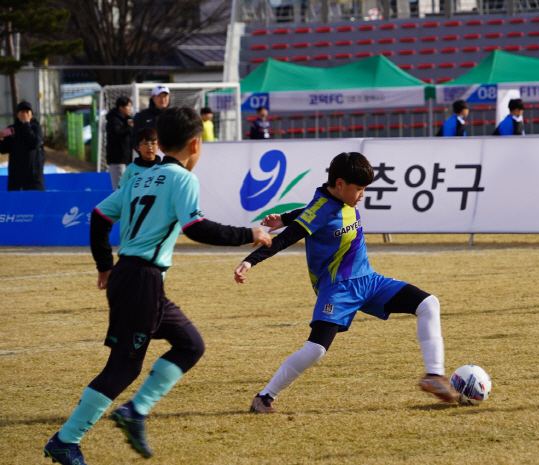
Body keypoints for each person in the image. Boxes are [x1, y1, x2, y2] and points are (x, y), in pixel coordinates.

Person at [43, 107, 272, 465]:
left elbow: (99, 217)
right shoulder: (183, 180)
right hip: (142, 280)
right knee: (124, 367)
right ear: (196, 144)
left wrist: (106, 267)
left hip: (134, 277)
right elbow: (195, 228)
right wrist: (250, 233)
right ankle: (66, 439)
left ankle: (135, 411)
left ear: (160, 143)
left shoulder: (137, 178)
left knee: (190, 344)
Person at [234, 152, 458, 414]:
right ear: (340, 184)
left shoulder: (336, 200)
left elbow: (315, 210)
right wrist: (250, 261)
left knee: (428, 303)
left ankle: (434, 375)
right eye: (359, 189)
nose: (362, 195)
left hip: (369, 281)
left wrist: (284, 217)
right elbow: (287, 238)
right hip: (337, 289)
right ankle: (264, 397)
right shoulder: (321, 209)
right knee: (315, 349)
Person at [0, 101, 45, 191]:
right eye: (22, 112)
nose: (24, 114)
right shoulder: (11, 129)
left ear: (31, 114)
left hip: (33, 176)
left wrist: (26, 124)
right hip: (16, 176)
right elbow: (4, 148)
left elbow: (34, 143)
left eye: (27, 112)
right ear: (17, 114)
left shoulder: (36, 128)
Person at [106, 96, 134, 189]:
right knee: (120, 188)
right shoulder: (113, 120)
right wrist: (129, 128)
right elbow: (116, 134)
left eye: (130, 106)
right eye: (128, 106)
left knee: (128, 187)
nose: (130, 109)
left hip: (127, 159)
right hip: (117, 160)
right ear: (121, 108)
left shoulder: (126, 120)